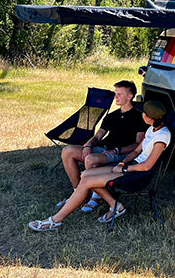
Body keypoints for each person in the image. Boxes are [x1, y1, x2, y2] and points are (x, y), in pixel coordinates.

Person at [29, 100, 171, 231]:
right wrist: (122, 162)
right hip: (130, 166)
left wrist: (124, 168)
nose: (141, 114)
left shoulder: (162, 136)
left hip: (138, 174)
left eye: (143, 113)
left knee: (87, 181)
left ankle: (55, 221)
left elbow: (147, 166)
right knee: (85, 175)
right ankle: (116, 206)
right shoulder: (151, 129)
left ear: (150, 118)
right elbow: (135, 151)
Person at [59, 80, 144, 214]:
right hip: (104, 148)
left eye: (120, 94)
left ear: (130, 96)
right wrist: (88, 145)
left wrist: (117, 150)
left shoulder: (139, 117)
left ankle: (96, 197)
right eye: (115, 93)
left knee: (90, 159)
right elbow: (98, 137)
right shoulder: (112, 116)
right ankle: (78, 192)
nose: (116, 97)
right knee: (67, 151)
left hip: (121, 153)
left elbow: (138, 144)